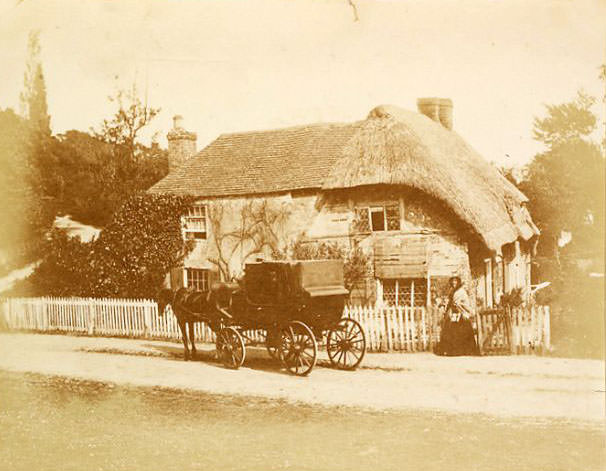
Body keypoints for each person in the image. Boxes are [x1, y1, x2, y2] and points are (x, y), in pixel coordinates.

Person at [435, 276, 479, 356]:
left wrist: (464, 309)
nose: (454, 283)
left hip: (461, 313)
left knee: (462, 331)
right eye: (452, 281)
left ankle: (464, 350)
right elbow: (450, 301)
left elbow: (465, 303)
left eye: (455, 281)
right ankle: (452, 351)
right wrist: (445, 305)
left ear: (458, 282)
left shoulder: (461, 291)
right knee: (451, 331)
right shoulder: (451, 291)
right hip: (453, 313)